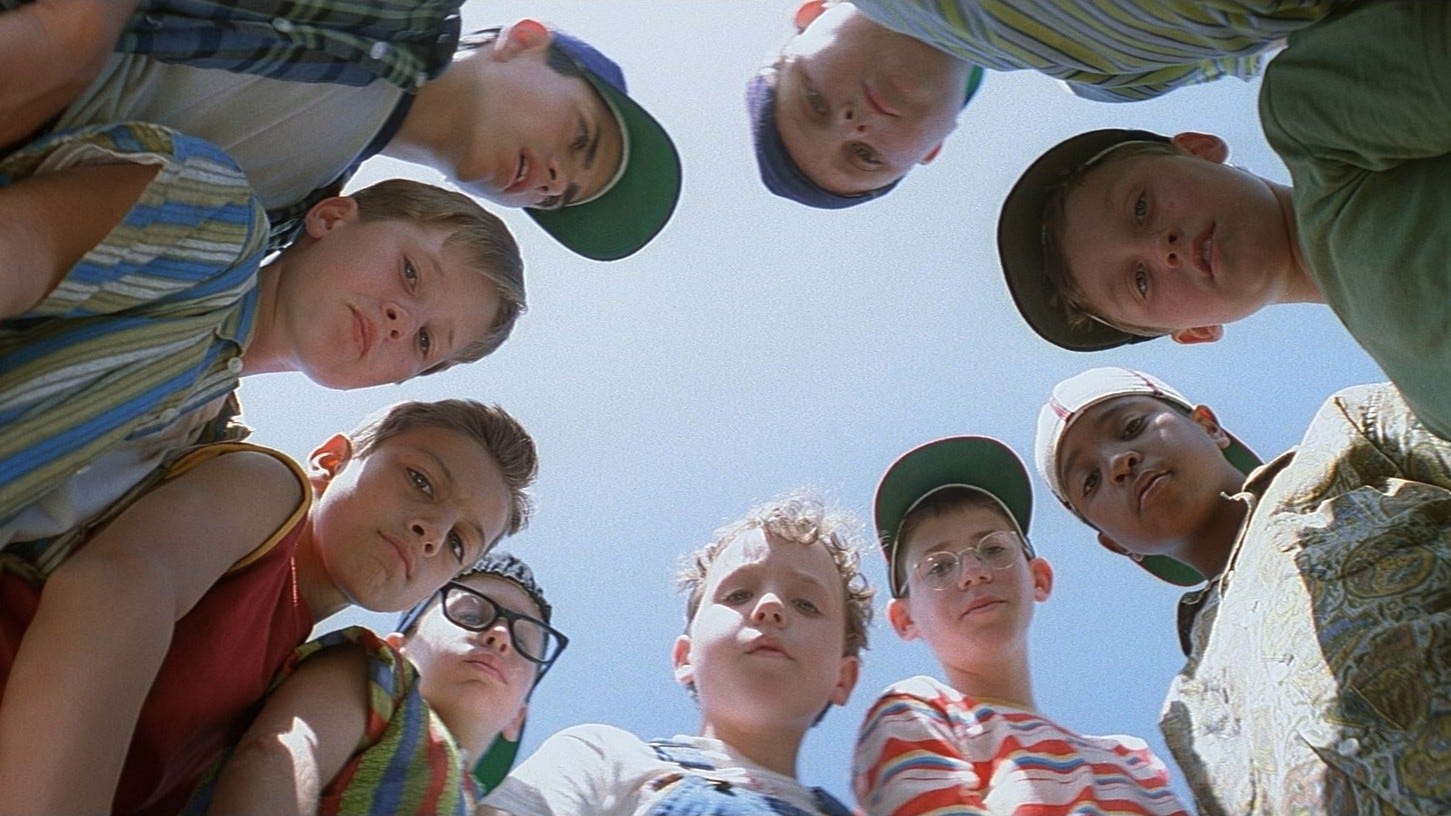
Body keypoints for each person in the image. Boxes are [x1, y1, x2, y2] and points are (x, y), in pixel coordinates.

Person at [0, 121, 525, 566]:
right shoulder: (210, 217)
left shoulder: (203, 464)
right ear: (331, 218)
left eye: (425, 340)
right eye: (410, 273)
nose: (400, 322)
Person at [0, 398, 539, 816]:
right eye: (420, 480)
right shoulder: (270, 494)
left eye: (458, 543)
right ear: (331, 461)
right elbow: (109, 587)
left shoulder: (285, 681)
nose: (433, 532)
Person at [998, 0, 1451, 439]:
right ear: (1195, 332)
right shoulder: (1431, 404)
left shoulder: (1311, 114)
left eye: (1140, 207)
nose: (1161, 248)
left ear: (1199, 148)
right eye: (1139, 281)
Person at [1035, 365, 1451, 814]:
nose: (1118, 463)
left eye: (1132, 426)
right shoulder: (1189, 708)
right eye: (1090, 481)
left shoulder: (1349, 433)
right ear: (1119, 545)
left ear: (1209, 427)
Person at [0, 2, 682, 262]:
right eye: (581, 140)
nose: (553, 181)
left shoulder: (294, 220)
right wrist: (70, 37)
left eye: (560, 197)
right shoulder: (400, 10)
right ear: (526, 40)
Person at [479, 490, 873, 816]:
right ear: (685, 658)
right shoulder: (606, 761)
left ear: (843, 677)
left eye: (806, 604)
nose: (770, 607)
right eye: (738, 594)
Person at [854, 435, 1188, 815]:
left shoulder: (1131, 759)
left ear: (1039, 578)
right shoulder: (915, 713)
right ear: (905, 619)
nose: (973, 572)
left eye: (993, 548)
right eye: (939, 567)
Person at [748, 0, 1346, 208]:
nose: (851, 125)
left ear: (812, 13)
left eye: (814, 102)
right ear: (929, 150)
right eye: (864, 157)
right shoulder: (1113, 79)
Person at [184, 550, 566, 816]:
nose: (500, 635)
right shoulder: (381, 676)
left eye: (524, 641)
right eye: (471, 614)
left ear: (518, 718)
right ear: (399, 645)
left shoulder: (481, 803)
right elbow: (276, 755)